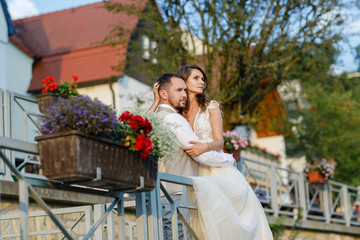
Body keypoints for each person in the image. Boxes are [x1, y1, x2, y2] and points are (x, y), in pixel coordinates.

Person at [151, 65, 273, 240]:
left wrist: (209, 149)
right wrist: (157, 101)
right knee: (197, 226)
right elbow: (147, 123)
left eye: (203, 79)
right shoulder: (177, 113)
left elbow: (218, 141)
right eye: (195, 78)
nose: (201, 82)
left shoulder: (210, 106)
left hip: (211, 167)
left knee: (223, 222)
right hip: (194, 172)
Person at [154, 72, 236, 240]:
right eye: (178, 90)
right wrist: (229, 159)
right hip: (176, 193)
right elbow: (201, 156)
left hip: (161, 193)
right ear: (163, 94)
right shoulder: (174, 119)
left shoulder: (157, 118)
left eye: (185, 90)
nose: (183, 94)